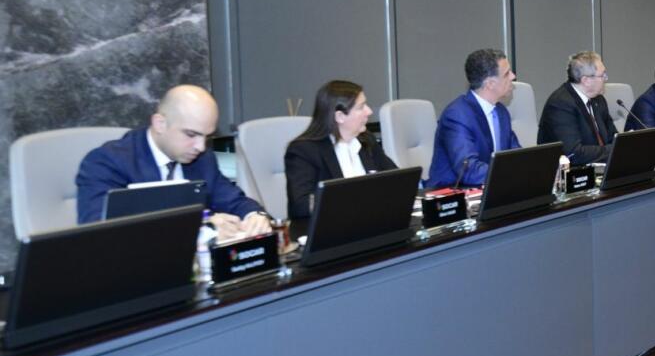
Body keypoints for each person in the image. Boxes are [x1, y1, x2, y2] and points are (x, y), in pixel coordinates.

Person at [75, 84, 272, 240]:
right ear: (160, 124)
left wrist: (255, 216)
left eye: (207, 136)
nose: (200, 146)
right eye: (191, 134)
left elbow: (233, 200)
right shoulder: (107, 162)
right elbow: (98, 232)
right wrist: (204, 228)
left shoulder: (203, 159)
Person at [284, 80, 398, 236]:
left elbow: (396, 179)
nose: (369, 111)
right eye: (361, 107)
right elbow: (300, 205)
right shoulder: (304, 151)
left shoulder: (366, 140)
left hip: (372, 227)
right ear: (339, 116)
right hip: (329, 235)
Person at [426, 49, 521, 189]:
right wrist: (510, 174)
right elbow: (468, 170)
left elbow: (516, 157)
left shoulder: (501, 112)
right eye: (507, 74)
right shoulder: (457, 115)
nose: (513, 76)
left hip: (489, 189)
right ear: (490, 83)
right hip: (452, 193)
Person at [537, 51, 617, 165]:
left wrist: (621, 146)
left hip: (597, 168)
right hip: (567, 172)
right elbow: (574, 153)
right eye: (602, 75)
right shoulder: (560, 104)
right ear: (586, 80)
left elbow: (613, 138)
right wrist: (613, 150)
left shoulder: (599, 100)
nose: (606, 78)